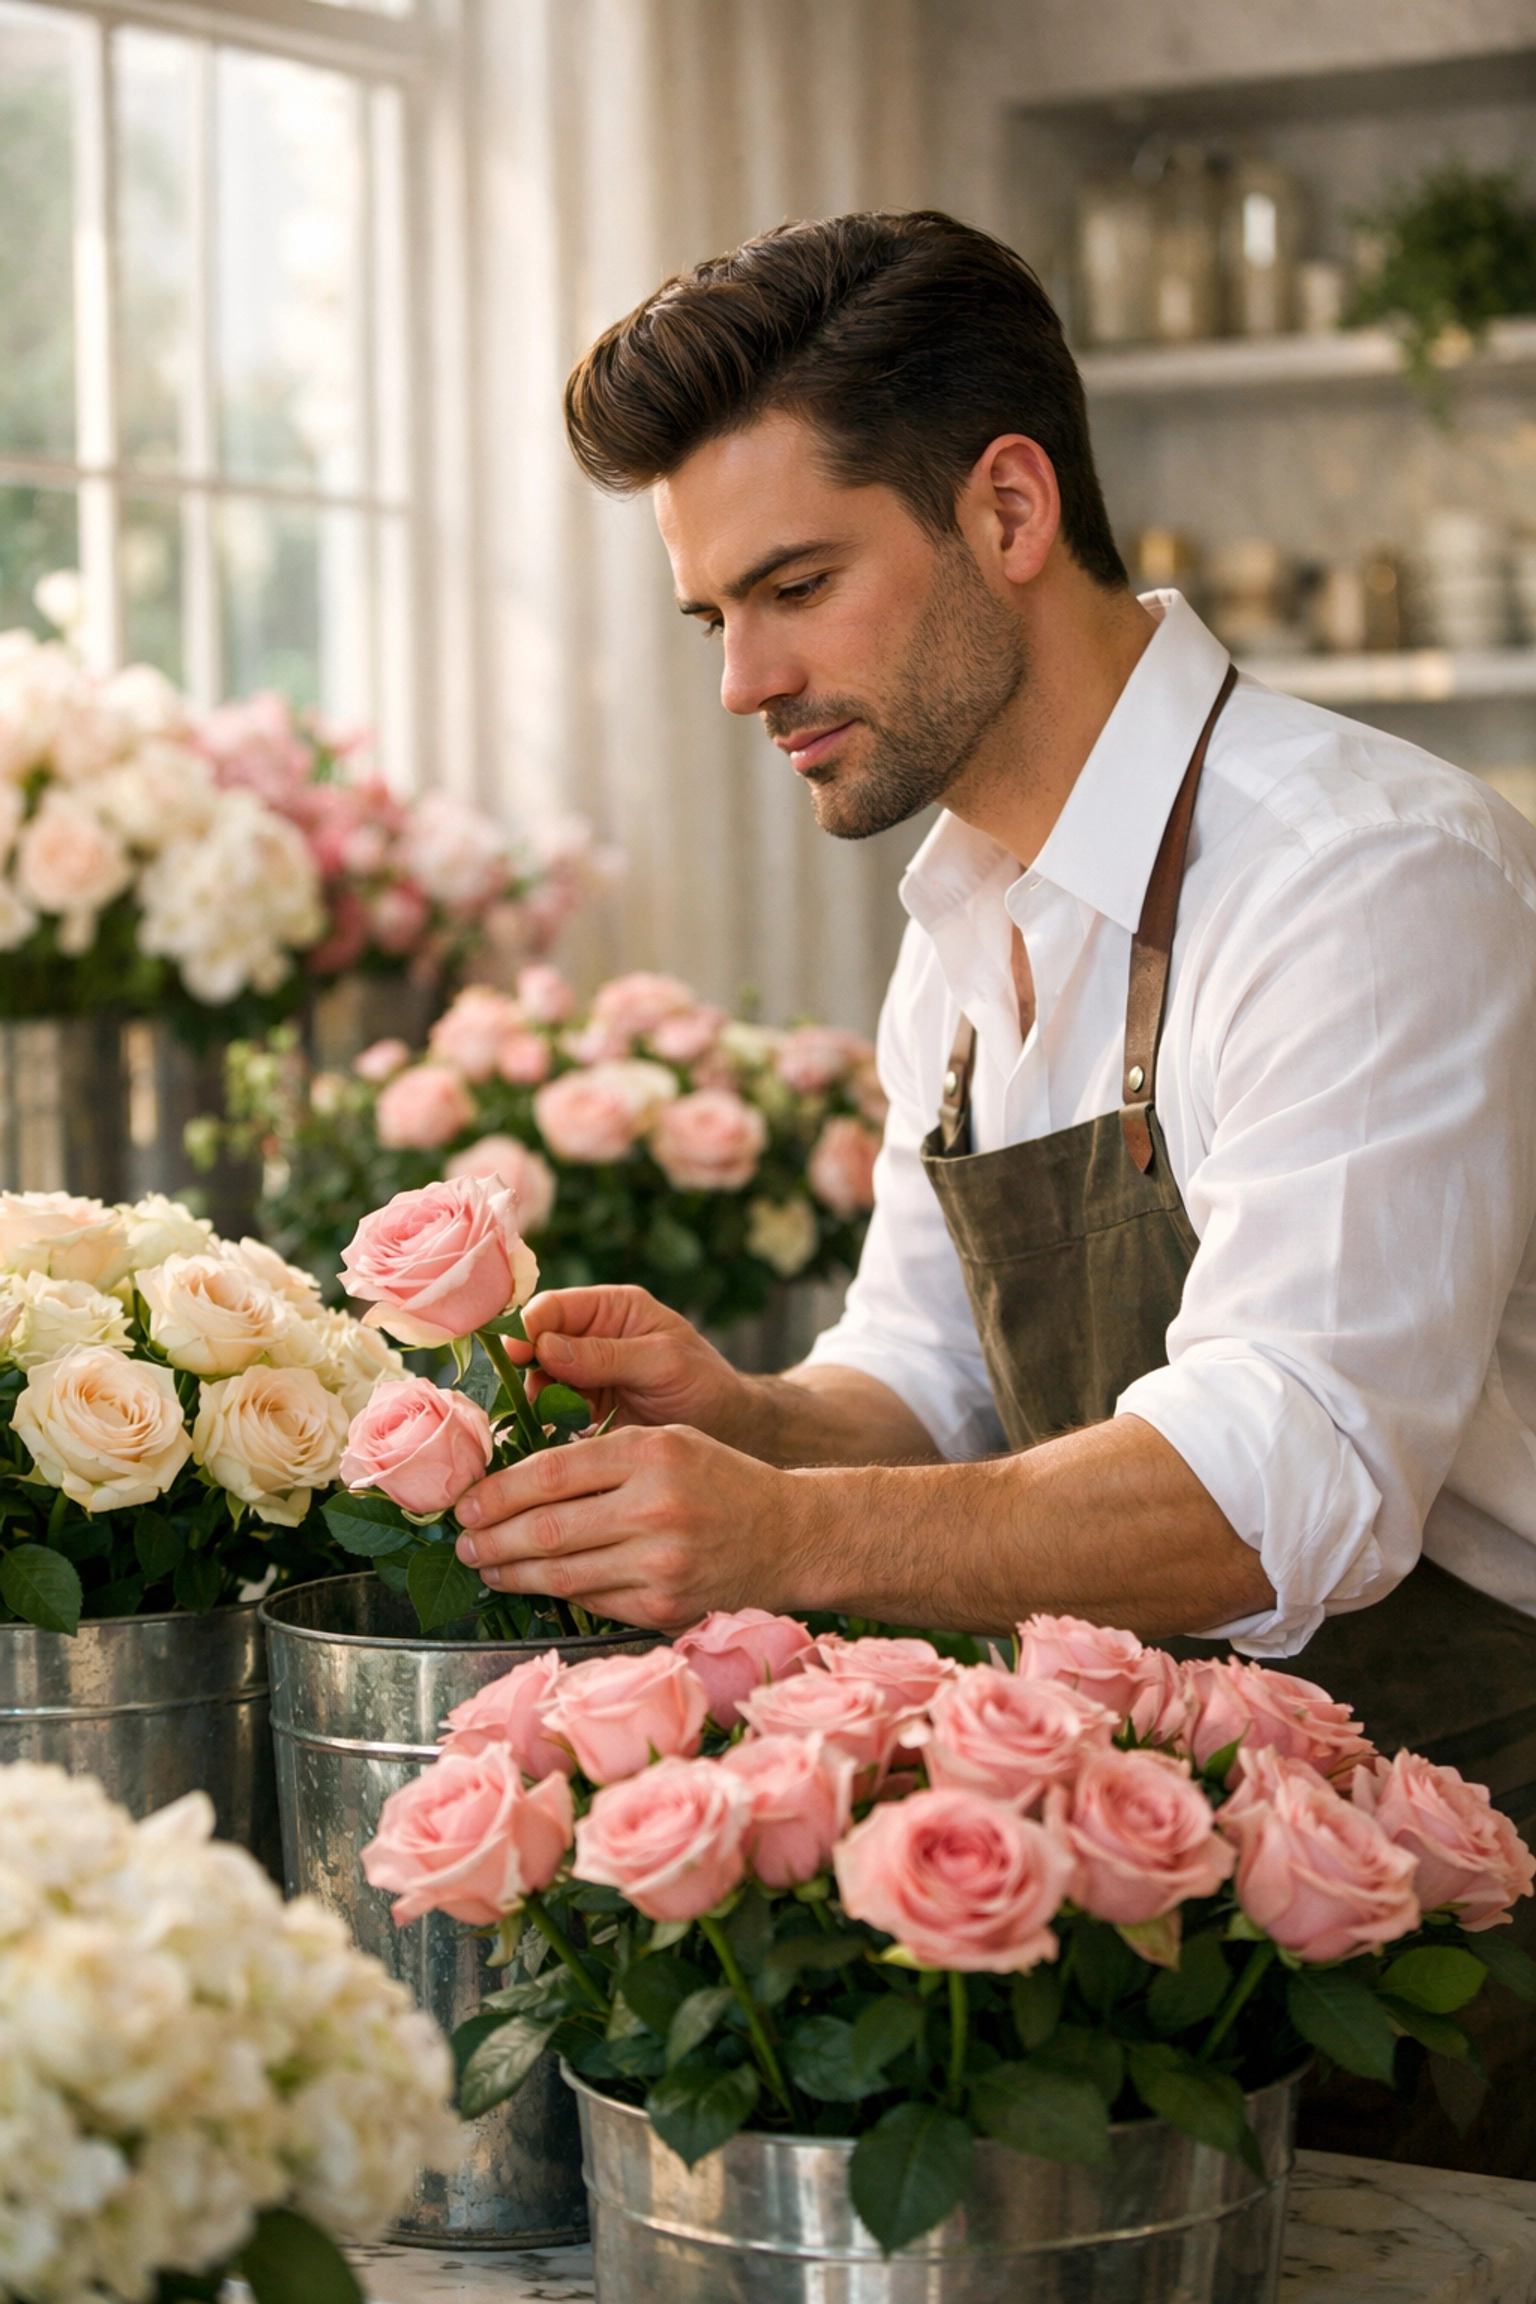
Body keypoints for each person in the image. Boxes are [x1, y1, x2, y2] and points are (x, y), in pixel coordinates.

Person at [455, 212, 1536, 2165]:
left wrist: (786, 1530)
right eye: (715, 617)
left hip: (1477, 1899)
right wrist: (747, 1417)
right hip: (1196, 1903)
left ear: (1011, 510)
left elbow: (1282, 1479)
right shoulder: (959, 923)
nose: (742, 681)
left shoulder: (1360, 876)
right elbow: (926, 1382)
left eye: (795, 586)